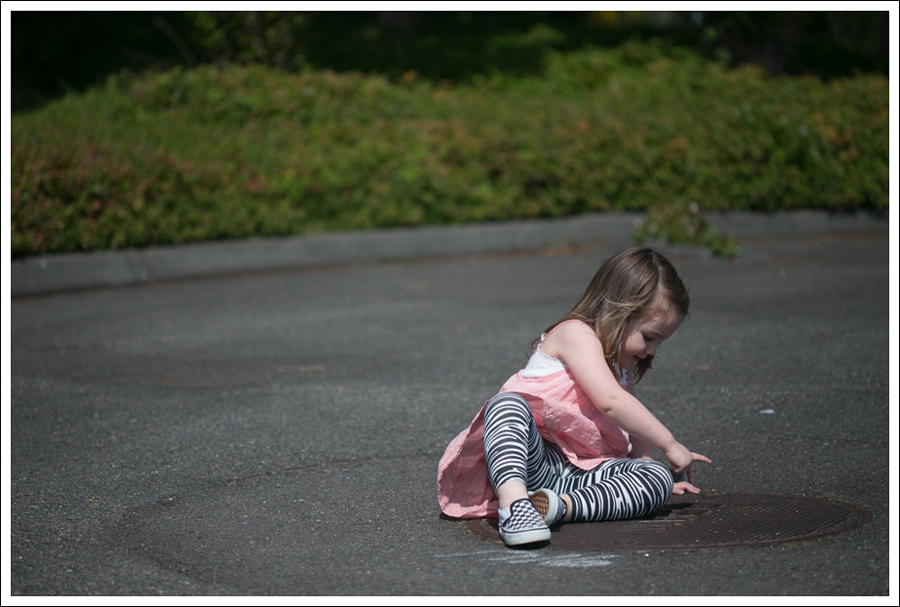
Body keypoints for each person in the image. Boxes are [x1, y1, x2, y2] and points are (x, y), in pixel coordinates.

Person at [437, 247, 711, 546]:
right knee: (506, 406)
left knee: (656, 476)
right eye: (649, 337)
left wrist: (647, 470)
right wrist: (670, 444)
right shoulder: (574, 335)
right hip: (534, 461)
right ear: (618, 310)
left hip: (583, 478)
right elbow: (612, 402)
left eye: (660, 342)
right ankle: (514, 504)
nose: (652, 350)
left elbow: (631, 424)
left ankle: (555, 507)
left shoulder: (621, 368)